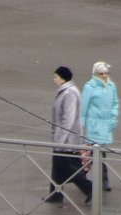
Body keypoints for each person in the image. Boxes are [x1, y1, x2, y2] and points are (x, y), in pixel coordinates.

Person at [45, 66, 92, 205]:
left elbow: (68, 119)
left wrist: (59, 139)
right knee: (57, 165)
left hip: (66, 139)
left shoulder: (68, 93)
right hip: (64, 137)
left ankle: (90, 189)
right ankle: (55, 194)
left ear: (63, 78)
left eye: (56, 77)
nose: (54, 80)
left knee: (63, 165)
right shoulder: (65, 91)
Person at [81, 61, 119, 192]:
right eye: (101, 73)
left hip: (106, 125)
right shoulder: (90, 87)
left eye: (106, 73)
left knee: (98, 152)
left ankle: (90, 178)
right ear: (95, 74)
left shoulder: (111, 86)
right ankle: (85, 178)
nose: (104, 75)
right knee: (94, 152)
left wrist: (113, 117)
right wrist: (82, 125)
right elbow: (83, 107)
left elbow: (114, 103)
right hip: (93, 125)